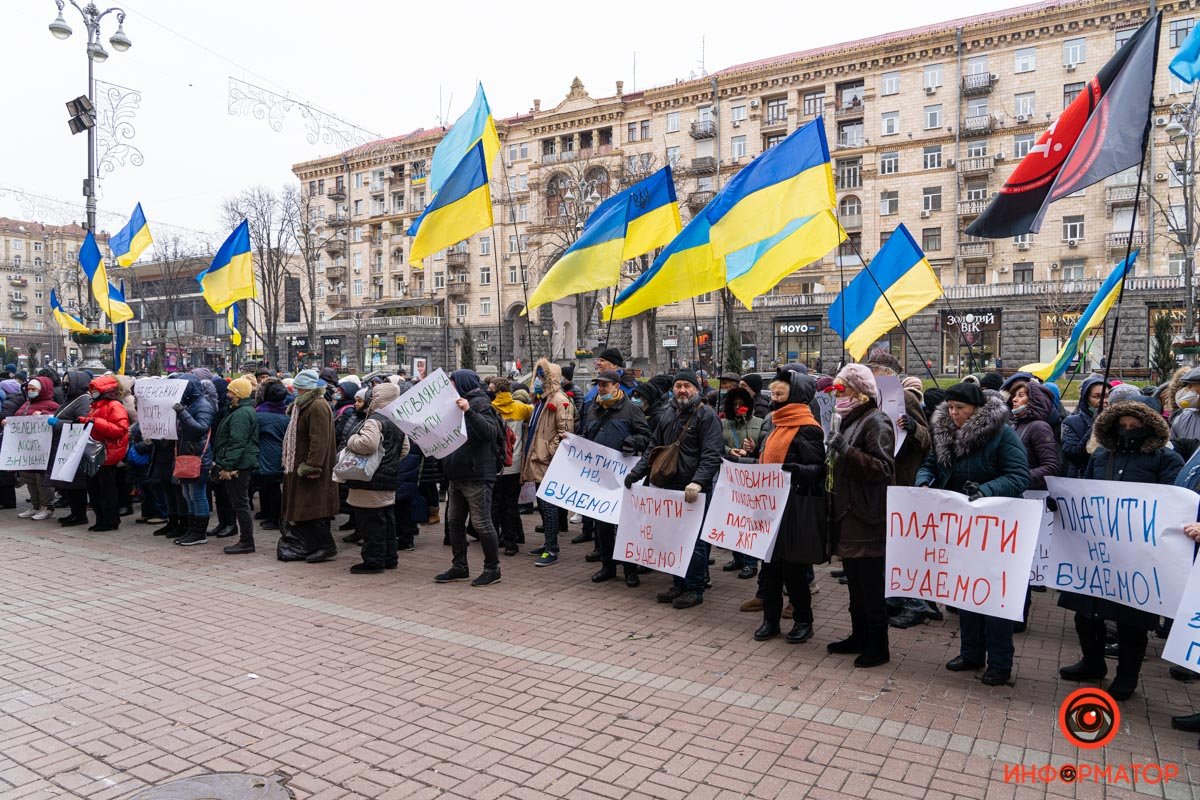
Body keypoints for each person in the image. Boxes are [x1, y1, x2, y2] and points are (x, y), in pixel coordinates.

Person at [1059, 399, 1183, 701]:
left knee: (1132, 621)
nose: (1128, 430)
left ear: (1149, 425)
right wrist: (1066, 504)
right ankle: (1093, 662)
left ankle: (1127, 676)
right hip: (1098, 550)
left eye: (1135, 425)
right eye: (1122, 424)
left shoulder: (1165, 459)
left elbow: (1174, 502)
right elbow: (1086, 489)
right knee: (1086, 612)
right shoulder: (1102, 454)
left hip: (1138, 555)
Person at [916, 382, 1030, 685]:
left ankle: (1000, 663)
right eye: (950, 408)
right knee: (964, 590)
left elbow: (1019, 476)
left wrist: (985, 490)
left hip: (995, 525)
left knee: (993, 597)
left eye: (960, 409)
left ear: (976, 409)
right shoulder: (944, 432)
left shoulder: (1001, 434)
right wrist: (925, 481)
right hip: (958, 523)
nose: (954, 414)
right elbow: (932, 464)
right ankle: (971, 653)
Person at [625, 369, 723, 609]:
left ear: (697, 389)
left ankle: (694, 588)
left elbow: (712, 454)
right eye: (678, 385)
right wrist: (635, 475)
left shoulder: (707, 415)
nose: (681, 390)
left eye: (686, 386)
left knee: (695, 542)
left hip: (693, 490)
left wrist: (699, 481)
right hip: (667, 487)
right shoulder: (667, 414)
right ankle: (679, 584)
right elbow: (653, 448)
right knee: (673, 539)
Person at [825, 364, 895, 668]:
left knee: (870, 584)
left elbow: (883, 468)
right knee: (854, 582)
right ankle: (859, 635)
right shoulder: (846, 419)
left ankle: (878, 645)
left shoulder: (875, 420)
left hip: (867, 516)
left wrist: (846, 451)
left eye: (843, 388)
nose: (837, 394)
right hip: (847, 512)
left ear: (860, 392)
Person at [749, 369, 825, 644]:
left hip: (794, 508)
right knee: (768, 570)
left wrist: (795, 470)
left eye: (780, 394)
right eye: (774, 393)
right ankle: (770, 620)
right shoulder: (776, 424)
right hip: (769, 507)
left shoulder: (808, 427)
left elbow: (818, 468)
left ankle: (804, 621)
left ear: (797, 396)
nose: (774, 398)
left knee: (794, 571)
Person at [581, 369, 651, 586]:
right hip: (600, 476)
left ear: (616, 387)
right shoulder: (593, 408)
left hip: (624, 477)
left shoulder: (631, 410)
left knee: (625, 526)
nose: (601, 389)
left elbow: (646, 437)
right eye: (599, 385)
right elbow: (586, 435)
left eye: (605, 385)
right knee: (602, 526)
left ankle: (630, 569)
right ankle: (607, 566)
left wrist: (633, 442)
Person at [436, 369, 504, 586]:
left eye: (453, 383)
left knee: (482, 523)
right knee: (454, 522)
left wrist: (469, 412)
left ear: (462, 384)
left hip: (477, 475)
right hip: (456, 473)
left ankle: (492, 569)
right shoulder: (453, 404)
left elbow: (490, 433)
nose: (450, 388)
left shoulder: (480, 404)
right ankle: (460, 566)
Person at [343, 382, 408, 573]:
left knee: (371, 521)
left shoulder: (375, 420)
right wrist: (389, 460)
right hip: (389, 476)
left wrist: (351, 440)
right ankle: (390, 557)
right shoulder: (398, 419)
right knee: (386, 519)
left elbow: (367, 444)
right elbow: (405, 449)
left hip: (369, 479)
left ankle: (373, 561)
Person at [281, 369, 340, 562]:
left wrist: (313, 466)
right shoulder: (306, 405)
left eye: (297, 388)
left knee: (314, 509)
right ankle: (312, 545)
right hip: (300, 464)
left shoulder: (317, 406)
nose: (295, 391)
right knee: (306, 508)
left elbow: (319, 439)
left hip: (313, 468)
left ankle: (325, 546)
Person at [521, 359, 576, 566]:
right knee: (543, 507)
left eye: (542, 377)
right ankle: (547, 542)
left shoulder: (559, 399)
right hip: (538, 459)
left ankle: (552, 548)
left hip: (547, 460)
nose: (538, 381)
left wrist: (547, 451)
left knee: (549, 505)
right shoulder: (541, 400)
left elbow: (565, 433)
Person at [67, 375, 130, 532]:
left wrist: (95, 422)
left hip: (107, 454)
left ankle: (110, 520)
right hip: (94, 452)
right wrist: (83, 421)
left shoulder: (115, 406)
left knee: (106, 491)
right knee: (94, 490)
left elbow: (120, 431)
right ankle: (101, 519)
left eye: (95, 390)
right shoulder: (96, 405)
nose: (92, 393)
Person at [719, 385, 764, 578]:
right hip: (730, 476)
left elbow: (765, 448)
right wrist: (730, 451)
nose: (738, 407)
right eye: (735, 404)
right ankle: (738, 558)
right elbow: (717, 444)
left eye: (742, 404)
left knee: (749, 521)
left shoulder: (760, 423)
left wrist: (754, 448)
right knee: (732, 518)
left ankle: (751, 562)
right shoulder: (723, 424)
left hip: (752, 478)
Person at [213, 377, 260, 555]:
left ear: (238, 394)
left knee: (240, 504)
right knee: (240, 503)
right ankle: (246, 540)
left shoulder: (241, 414)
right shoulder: (240, 410)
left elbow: (237, 443)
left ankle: (247, 541)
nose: (227, 394)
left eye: (231, 392)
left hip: (239, 466)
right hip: (240, 463)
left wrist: (227, 466)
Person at [171, 373, 215, 546]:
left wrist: (182, 413)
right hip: (188, 454)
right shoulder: (192, 404)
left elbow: (201, 429)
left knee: (197, 495)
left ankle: (199, 532)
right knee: (188, 495)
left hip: (197, 456)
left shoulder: (203, 405)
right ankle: (192, 530)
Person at [490, 377, 532, 556]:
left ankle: (493, 539)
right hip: (514, 465)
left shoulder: (490, 407)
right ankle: (510, 542)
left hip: (494, 465)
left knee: (494, 505)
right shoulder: (520, 408)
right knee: (510, 505)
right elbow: (534, 412)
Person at [46, 371, 92, 527]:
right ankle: (74, 513)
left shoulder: (83, 400)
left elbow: (82, 424)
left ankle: (79, 515)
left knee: (76, 485)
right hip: (65, 447)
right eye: (64, 383)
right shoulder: (70, 400)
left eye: (68, 384)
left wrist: (58, 423)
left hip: (74, 448)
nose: (65, 387)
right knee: (69, 484)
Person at [12, 376, 59, 520]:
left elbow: (56, 420)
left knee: (41, 480)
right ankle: (36, 505)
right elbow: (17, 418)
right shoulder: (26, 404)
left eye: (34, 389)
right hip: (27, 450)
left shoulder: (52, 405)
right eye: (29, 389)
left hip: (42, 450)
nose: (30, 391)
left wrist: (43, 415)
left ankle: (47, 507)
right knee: (29, 478)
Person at [1008, 381, 1062, 490]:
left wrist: (1019, 479)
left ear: (1034, 400)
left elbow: (1051, 466)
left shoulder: (1039, 427)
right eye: (1014, 395)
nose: (1014, 399)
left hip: (1033, 495)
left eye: (1021, 396)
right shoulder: (1015, 425)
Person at [253, 380, 290, 531]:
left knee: (271, 487)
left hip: (266, 454)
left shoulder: (260, 414)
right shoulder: (287, 413)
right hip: (279, 453)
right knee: (271, 486)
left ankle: (274, 518)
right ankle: (269, 515)